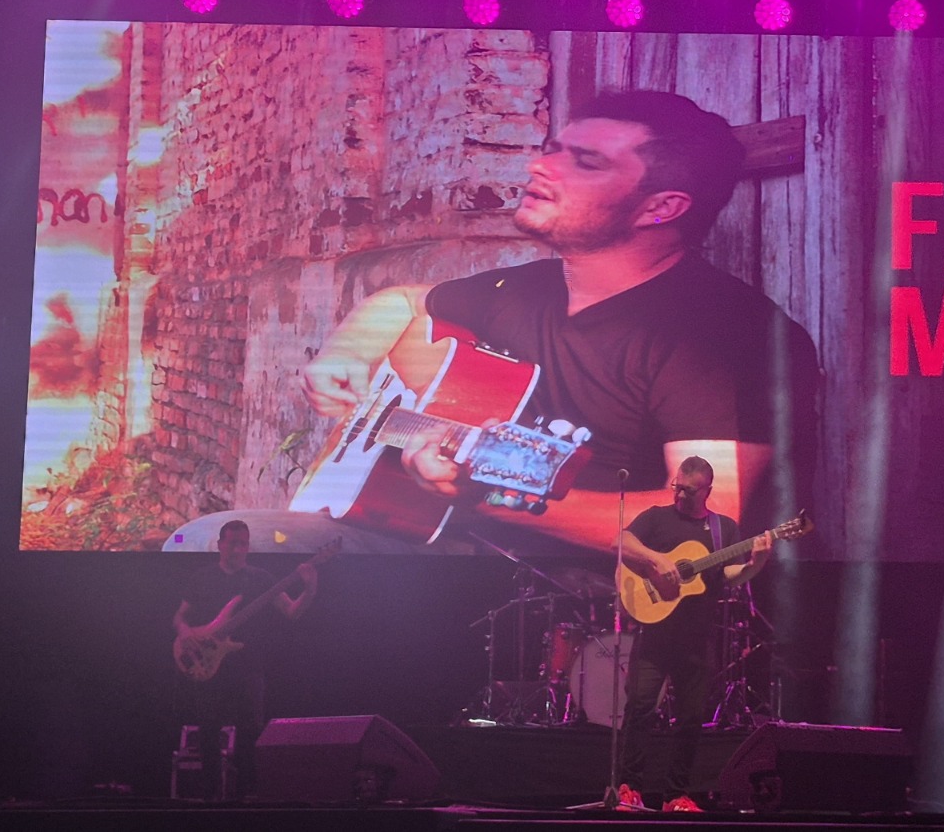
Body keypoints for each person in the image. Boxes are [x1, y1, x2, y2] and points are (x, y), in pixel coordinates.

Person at [163, 89, 819, 563]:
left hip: (575, 604)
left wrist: (490, 495)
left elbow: (706, 525)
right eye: (552, 148)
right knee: (213, 551)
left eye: (584, 163)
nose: (540, 165)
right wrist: (351, 350)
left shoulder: (725, 337)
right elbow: (399, 303)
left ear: (663, 208)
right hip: (431, 543)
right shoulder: (521, 289)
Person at [615, 455, 771, 811]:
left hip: (697, 637)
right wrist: (658, 561)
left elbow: (729, 578)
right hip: (655, 633)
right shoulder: (656, 517)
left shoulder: (723, 529)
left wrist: (756, 564)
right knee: (640, 708)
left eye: (688, 491)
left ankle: (676, 795)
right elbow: (620, 543)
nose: (680, 496)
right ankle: (629, 787)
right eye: (677, 488)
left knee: (690, 717)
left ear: (707, 490)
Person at [172, 519, 317, 799]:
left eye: (243, 543)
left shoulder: (261, 579)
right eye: (232, 543)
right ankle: (210, 796)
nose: (238, 549)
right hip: (208, 663)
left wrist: (310, 589)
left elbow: (292, 612)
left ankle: (246, 795)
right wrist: (185, 630)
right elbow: (180, 616)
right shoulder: (202, 577)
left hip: (248, 665)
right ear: (220, 545)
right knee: (208, 729)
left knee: (251, 729)